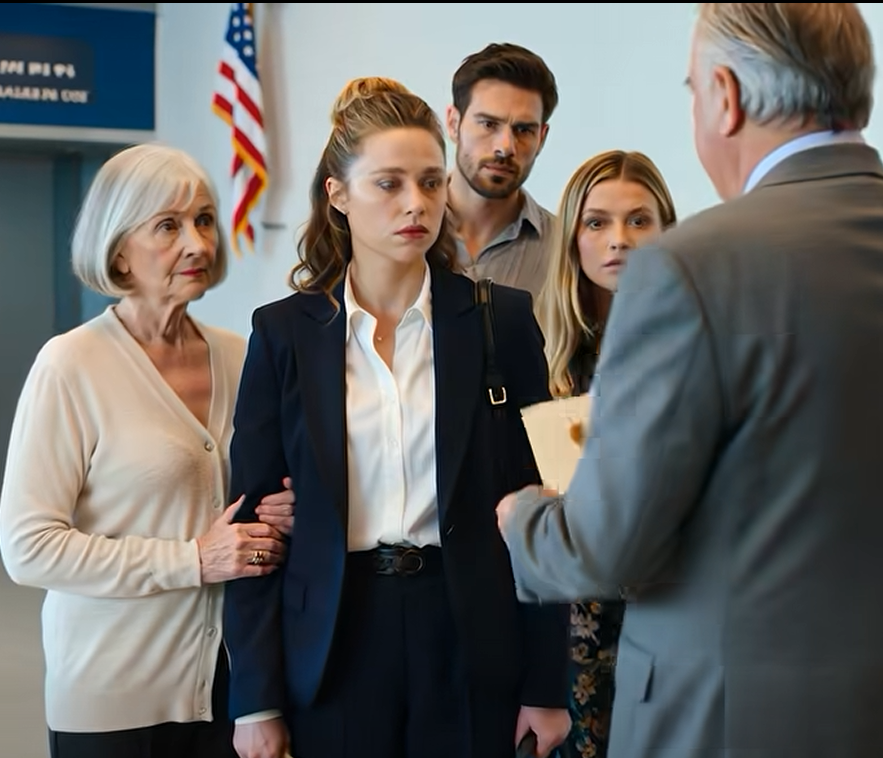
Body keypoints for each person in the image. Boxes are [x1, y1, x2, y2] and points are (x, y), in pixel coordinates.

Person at [497, 3, 883, 757]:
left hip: (726, 716)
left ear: (724, 95)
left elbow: (605, 547)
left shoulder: (692, 267)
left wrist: (524, 519)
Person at [223, 77, 571, 758]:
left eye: (431, 182)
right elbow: (252, 525)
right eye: (388, 184)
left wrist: (546, 683)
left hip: (471, 628)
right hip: (333, 635)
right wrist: (255, 698)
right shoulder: (283, 334)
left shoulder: (501, 319)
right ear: (337, 194)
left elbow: (544, 511)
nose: (417, 204)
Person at [0, 143, 294, 758]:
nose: (197, 243)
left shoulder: (243, 356)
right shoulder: (70, 365)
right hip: (113, 702)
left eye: (205, 220)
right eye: (168, 226)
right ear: (119, 252)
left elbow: (254, 507)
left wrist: (286, 514)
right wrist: (191, 560)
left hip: (234, 695)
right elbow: (28, 549)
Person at [535, 150, 676, 758]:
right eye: (597, 222)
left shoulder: (692, 349)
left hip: (670, 610)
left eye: (639, 220)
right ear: (572, 237)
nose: (619, 239)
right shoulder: (538, 360)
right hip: (568, 626)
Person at [445, 42, 559, 300]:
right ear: (453, 124)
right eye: (488, 124)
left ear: (541, 138)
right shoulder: (400, 228)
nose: (505, 147)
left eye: (523, 130)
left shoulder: (565, 251)